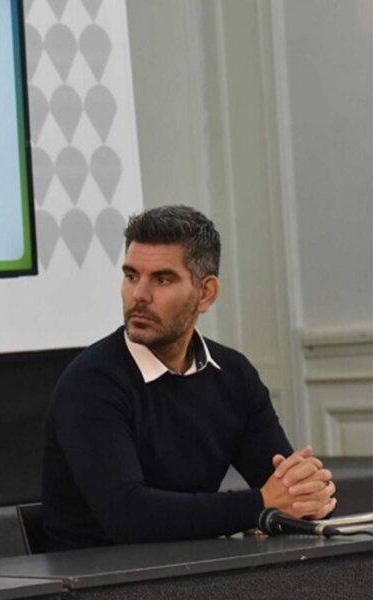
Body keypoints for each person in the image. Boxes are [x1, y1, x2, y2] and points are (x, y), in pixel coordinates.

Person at [41, 206, 336, 551]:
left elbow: (286, 489)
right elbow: (128, 517)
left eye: (162, 279)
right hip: (96, 574)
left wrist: (310, 495)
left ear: (206, 293)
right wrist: (260, 504)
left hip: (194, 564)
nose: (139, 295)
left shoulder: (233, 375)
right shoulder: (91, 382)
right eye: (132, 276)